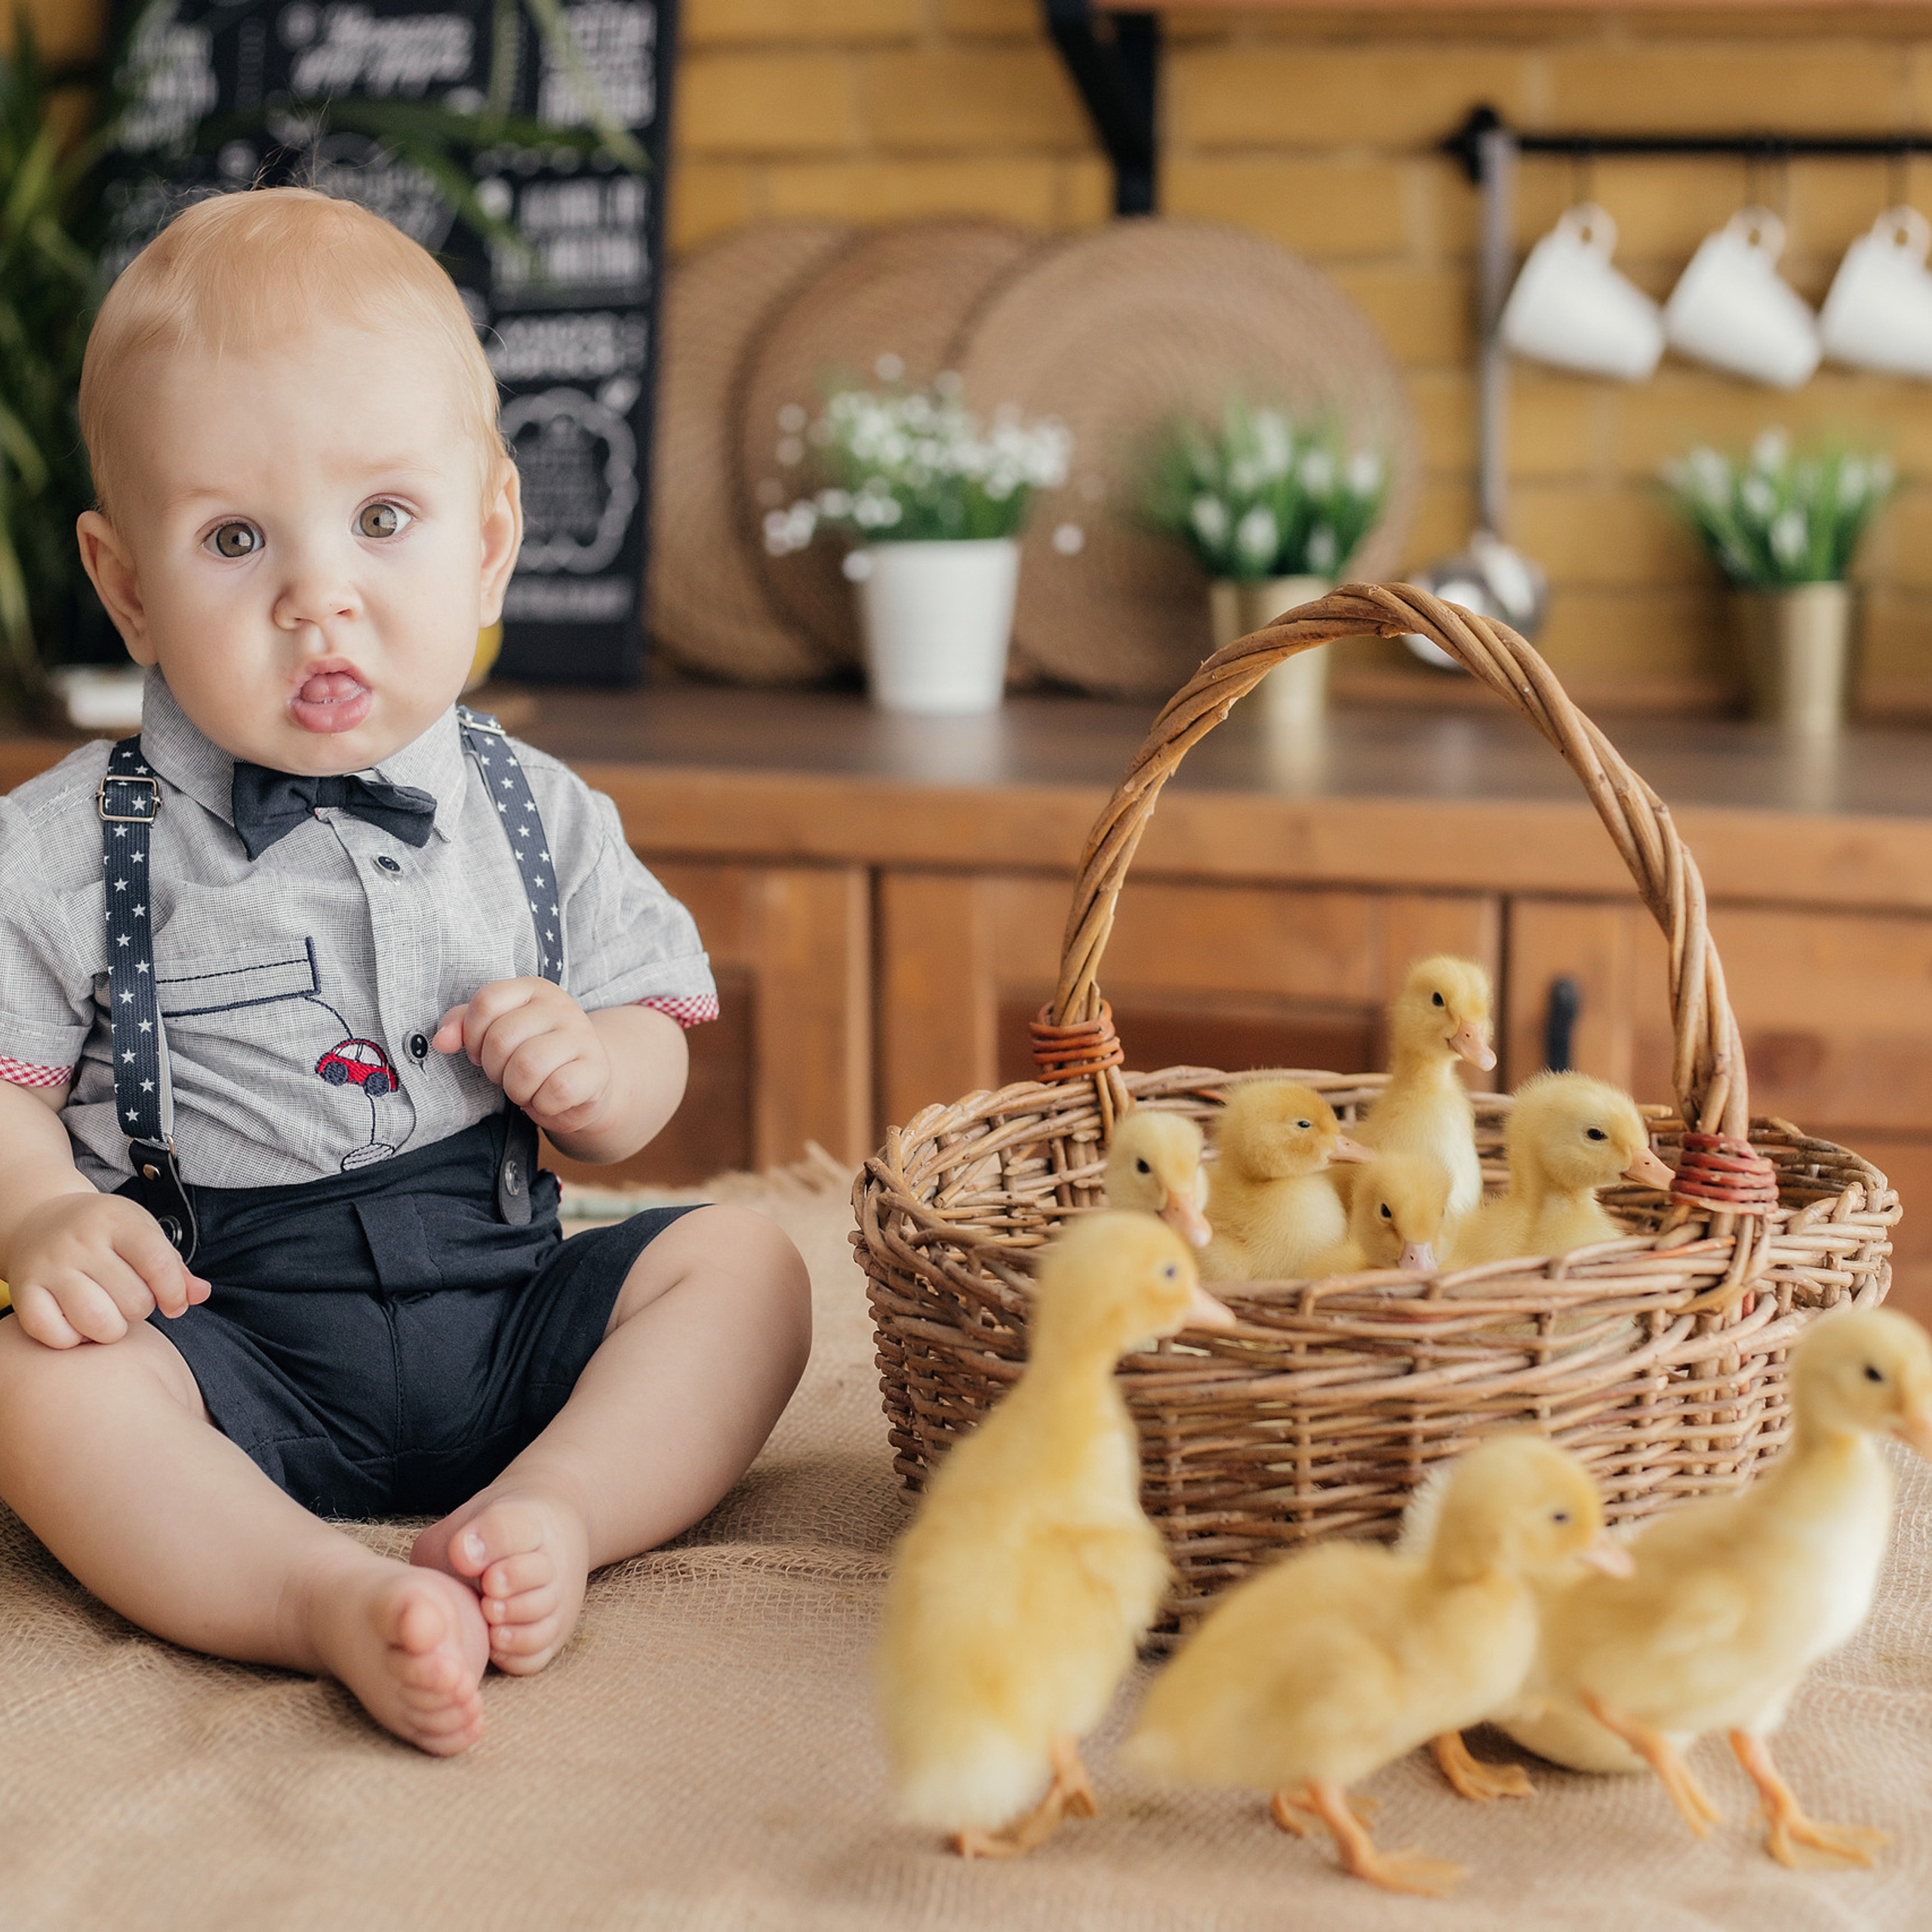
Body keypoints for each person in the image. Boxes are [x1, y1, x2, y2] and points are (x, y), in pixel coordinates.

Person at [0, 188, 811, 1755]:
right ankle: (308, 1589)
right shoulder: (60, 846)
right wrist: (41, 1211)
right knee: (38, 1386)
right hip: (223, 1331)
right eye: (235, 538)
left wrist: (600, 1062)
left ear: (490, 538)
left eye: (383, 519)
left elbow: (651, 1045)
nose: (322, 593)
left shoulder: (539, 808)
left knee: (752, 1271)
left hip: (507, 1311)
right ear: (128, 587)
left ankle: (548, 1516)